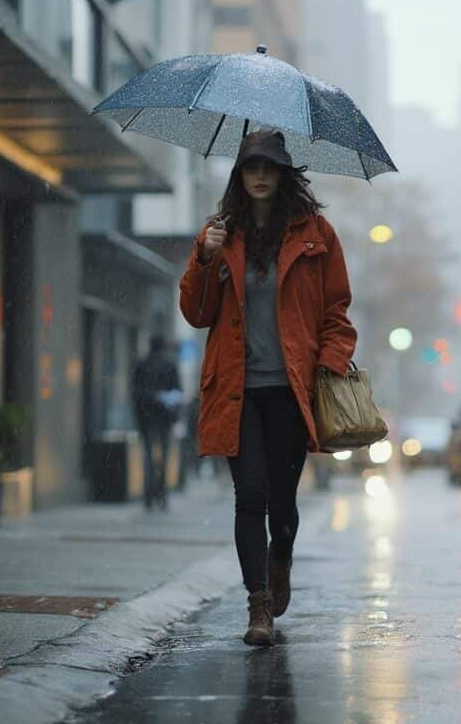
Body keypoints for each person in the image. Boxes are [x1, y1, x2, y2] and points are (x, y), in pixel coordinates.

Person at [178, 130, 356, 646]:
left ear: (283, 176)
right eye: (251, 167)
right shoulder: (219, 234)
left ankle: (281, 556)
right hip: (237, 390)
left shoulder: (316, 235)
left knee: (282, 507)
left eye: (270, 167)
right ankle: (258, 608)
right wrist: (204, 259)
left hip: (291, 391)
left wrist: (331, 363)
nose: (260, 175)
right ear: (239, 176)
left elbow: (336, 313)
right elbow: (196, 313)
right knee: (248, 496)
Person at [132, 334, 182, 510]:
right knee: (163, 458)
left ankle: (148, 495)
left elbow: (136, 393)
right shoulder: (169, 365)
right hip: (164, 419)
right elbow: (178, 392)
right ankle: (161, 495)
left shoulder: (142, 364)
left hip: (146, 419)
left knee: (148, 458)